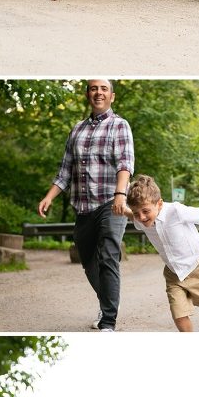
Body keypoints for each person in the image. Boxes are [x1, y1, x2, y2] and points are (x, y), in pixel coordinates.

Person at [38, 79, 134, 331]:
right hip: (83, 206)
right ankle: (108, 303)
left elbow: (125, 164)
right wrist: (49, 196)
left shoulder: (119, 125)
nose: (98, 92)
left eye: (103, 89)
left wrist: (121, 195)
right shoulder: (77, 130)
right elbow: (65, 171)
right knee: (88, 260)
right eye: (93, 88)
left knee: (109, 255)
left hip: (110, 202)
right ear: (87, 94)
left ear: (112, 96)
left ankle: (108, 321)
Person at [125, 174, 199, 332]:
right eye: (136, 213)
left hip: (197, 267)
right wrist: (123, 208)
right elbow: (131, 213)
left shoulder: (176, 211)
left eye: (145, 211)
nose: (141, 217)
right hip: (173, 272)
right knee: (179, 314)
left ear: (159, 204)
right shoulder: (141, 220)